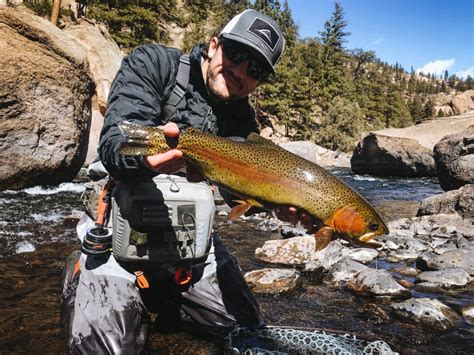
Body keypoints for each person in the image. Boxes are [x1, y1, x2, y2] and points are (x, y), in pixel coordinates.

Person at [60, 9, 311, 353]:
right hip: (119, 242)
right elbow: (114, 144)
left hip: (191, 250)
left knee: (247, 334)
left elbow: (235, 192)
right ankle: (84, 272)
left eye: (254, 69)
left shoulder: (241, 119)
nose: (240, 71)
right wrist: (144, 160)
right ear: (213, 45)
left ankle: (161, 299)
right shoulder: (154, 63)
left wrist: (274, 204)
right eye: (236, 54)